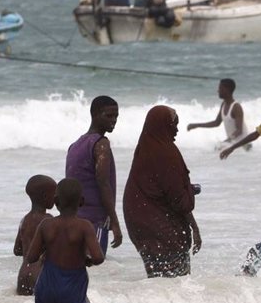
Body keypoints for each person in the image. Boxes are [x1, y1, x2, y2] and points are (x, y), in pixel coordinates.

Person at [24, 178, 104, 303]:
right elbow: (98, 257)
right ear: (81, 202)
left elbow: (31, 257)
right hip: (73, 290)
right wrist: (87, 261)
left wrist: (48, 250)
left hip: (47, 288)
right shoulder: (84, 226)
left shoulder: (45, 225)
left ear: (56, 202)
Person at [123, 106, 201, 277]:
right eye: (173, 125)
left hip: (141, 227)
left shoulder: (144, 149)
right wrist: (194, 227)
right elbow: (180, 201)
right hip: (162, 231)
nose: (177, 130)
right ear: (163, 126)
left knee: (157, 283)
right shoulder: (166, 153)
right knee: (177, 284)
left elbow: (160, 189)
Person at [65, 95, 123, 254]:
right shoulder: (101, 144)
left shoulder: (75, 145)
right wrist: (115, 223)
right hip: (94, 220)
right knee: (95, 264)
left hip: (73, 220)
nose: (114, 120)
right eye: (109, 115)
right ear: (95, 115)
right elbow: (103, 184)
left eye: (116, 116)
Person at [13, 175, 57, 296]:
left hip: (22, 275)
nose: (56, 197)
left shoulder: (24, 220)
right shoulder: (48, 220)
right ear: (44, 196)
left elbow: (17, 250)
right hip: (39, 274)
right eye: (54, 194)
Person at [187, 78, 248, 148]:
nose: (218, 91)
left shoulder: (236, 107)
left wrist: (227, 141)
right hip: (233, 145)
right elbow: (216, 123)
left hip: (244, 146)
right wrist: (196, 125)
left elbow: (239, 130)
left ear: (227, 90)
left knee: (218, 149)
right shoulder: (224, 104)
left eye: (220, 88)